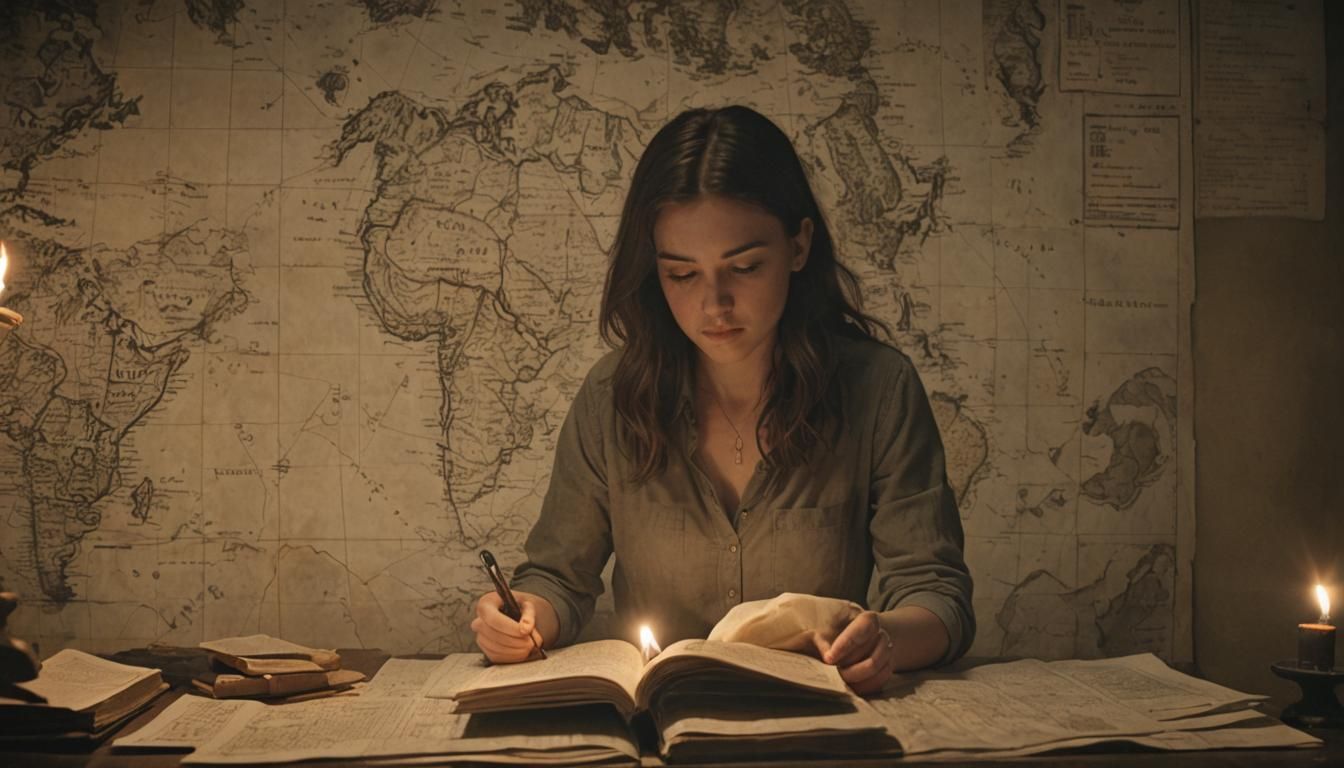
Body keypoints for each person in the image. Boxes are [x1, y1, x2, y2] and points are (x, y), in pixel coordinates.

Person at [471, 105, 973, 695]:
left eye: (745, 267)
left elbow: (937, 594)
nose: (715, 304)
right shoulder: (613, 396)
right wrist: (524, 617)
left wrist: (884, 639)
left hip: (814, 727)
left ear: (799, 245)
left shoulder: (879, 390)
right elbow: (558, 577)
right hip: (657, 732)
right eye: (682, 275)